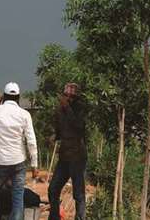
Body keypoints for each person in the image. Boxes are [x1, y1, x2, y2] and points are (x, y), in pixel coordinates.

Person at [0, 82, 38, 220]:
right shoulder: (25, 114)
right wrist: (34, 164)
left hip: (0, 162)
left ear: (4, 96)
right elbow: (31, 141)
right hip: (19, 162)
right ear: (19, 97)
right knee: (17, 199)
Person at [48, 83, 87, 220]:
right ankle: (54, 217)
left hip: (77, 155)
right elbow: (59, 130)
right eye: (65, 96)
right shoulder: (59, 110)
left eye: (70, 97)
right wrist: (54, 137)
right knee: (53, 188)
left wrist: (68, 109)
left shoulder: (79, 109)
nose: (67, 98)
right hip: (64, 156)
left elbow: (78, 127)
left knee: (78, 193)